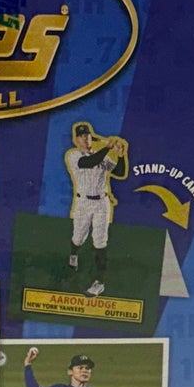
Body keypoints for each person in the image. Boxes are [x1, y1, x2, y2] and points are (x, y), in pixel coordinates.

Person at [63, 121, 120, 298]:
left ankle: (99, 282)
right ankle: (74, 254)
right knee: (78, 237)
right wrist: (108, 147)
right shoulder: (73, 156)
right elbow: (88, 162)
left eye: (87, 136)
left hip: (102, 203)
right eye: (82, 136)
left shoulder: (101, 156)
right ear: (76, 140)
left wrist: (120, 154)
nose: (85, 138)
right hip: (83, 202)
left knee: (100, 241)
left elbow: (120, 171)